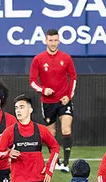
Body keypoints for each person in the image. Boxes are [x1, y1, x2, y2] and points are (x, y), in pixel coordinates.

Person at [30, 29, 77, 173]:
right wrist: (43, 90)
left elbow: (73, 77)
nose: (53, 43)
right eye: (50, 40)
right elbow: (32, 81)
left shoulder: (66, 58)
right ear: (46, 41)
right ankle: (55, 161)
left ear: (59, 41)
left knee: (66, 128)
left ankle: (66, 163)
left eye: (55, 40)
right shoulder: (38, 59)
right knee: (50, 133)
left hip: (64, 100)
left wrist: (69, 96)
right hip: (48, 101)